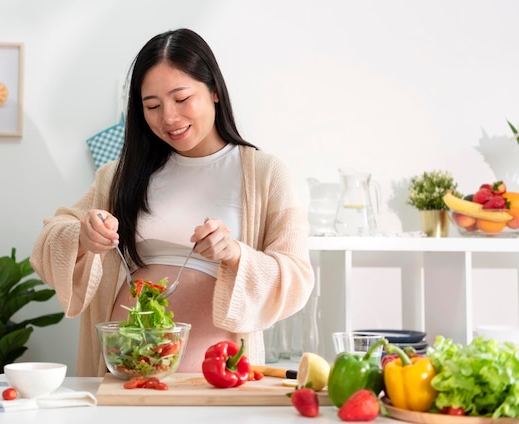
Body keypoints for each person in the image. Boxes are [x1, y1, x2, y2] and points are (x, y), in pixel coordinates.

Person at [30, 28, 314, 377]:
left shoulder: (266, 174)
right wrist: (82, 239)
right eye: (153, 106)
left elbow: (298, 277)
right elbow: (47, 243)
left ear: (214, 91)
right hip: (125, 374)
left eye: (181, 99)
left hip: (215, 381)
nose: (168, 118)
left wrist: (235, 254)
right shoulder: (120, 174)